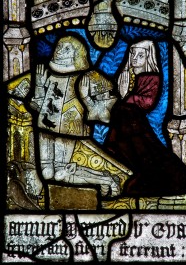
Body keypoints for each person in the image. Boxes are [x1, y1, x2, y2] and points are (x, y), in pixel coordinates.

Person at [30, 35, 121, 197]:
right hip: (45, 127)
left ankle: (105, 180)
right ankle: (104, 179)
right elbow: (37, 106)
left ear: (77, 54)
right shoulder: (48, 72)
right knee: (46, 173)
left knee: (60, 173)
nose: (59, 52)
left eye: (66, 49)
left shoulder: (88, 76)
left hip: (69, 128)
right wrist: (38, 86)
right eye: (58, 47)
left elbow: (106, 108)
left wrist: (87, 99)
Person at [104, 40, 186, 197]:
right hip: (129, 121)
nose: (135, 58)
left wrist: (126, 96)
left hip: (135, 122)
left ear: (149, 57)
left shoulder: (151, 78)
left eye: (140, 55)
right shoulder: (126, 74)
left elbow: (147, 102)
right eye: (132, 54)